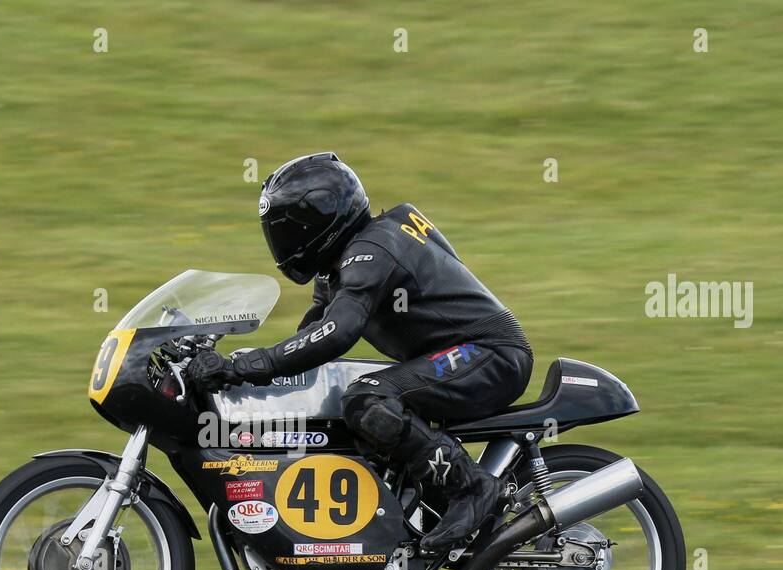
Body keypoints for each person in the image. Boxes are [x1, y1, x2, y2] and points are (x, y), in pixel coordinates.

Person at [188, 152, 533, 550]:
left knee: (367, 399)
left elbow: (337, 334)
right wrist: (237, 362)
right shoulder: (340, 265)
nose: (283, 242)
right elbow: (311, 341)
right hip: (458, 355)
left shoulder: (373, 250)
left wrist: (244, 366)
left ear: (321, 221)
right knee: (335, 400)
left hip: (489, 353)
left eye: (290, 230)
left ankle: (473, 489)